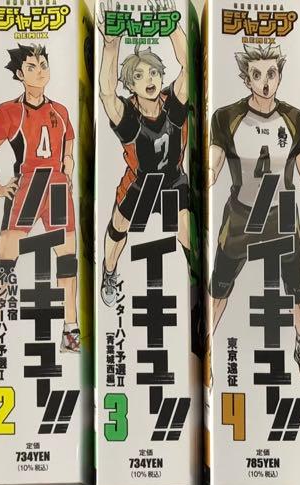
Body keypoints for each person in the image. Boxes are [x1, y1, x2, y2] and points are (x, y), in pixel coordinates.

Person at [208, 43, 300, 385]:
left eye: (271, 73)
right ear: (247, 79)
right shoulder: (226, 117)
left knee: (298, 287)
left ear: (280, 75)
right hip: (241, 214)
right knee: (219, 287)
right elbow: (212, 165)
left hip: (282, 213)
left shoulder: (297, 119)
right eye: (257, 75)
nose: (266, 82)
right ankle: (207, 347)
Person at [96, 0, 194, 305]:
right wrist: (111, 46)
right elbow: (106, 93)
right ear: (130, 84)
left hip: (173, 180)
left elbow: (189, 65)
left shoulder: (173, 104)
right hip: (139, 184)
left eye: (153, 72)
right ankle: (109, 272)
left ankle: (195, 282)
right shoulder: (129, 116)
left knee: (186, 229)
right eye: (139, 76)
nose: (149, 79)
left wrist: (172, 25)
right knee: (118, 227)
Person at [0, 44, 81, 353]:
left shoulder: (61, 111)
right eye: (31, 67)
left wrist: (68, 168)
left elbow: (68, 148)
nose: (39, 71)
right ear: (19, 74)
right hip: (28, 184)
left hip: (57, 186)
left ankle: (70, 331)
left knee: (67, 259)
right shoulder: (9, 111)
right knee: (6, 255)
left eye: (43, 65)